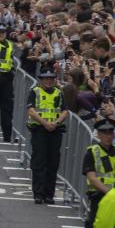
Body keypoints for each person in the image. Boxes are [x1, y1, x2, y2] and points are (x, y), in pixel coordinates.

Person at [26, 69, 68, 204]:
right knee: (39, 162)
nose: (49, 81)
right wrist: (45, 123)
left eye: (51, 78)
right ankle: (38, 193)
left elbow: (65, 111)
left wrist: (55, 123)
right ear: (41, 80)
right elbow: (31, 111)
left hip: (55, 131)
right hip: (39, 130)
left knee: (53, 162)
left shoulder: (59, 93)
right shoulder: (35, 91)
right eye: (46, 78)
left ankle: (49, 194)